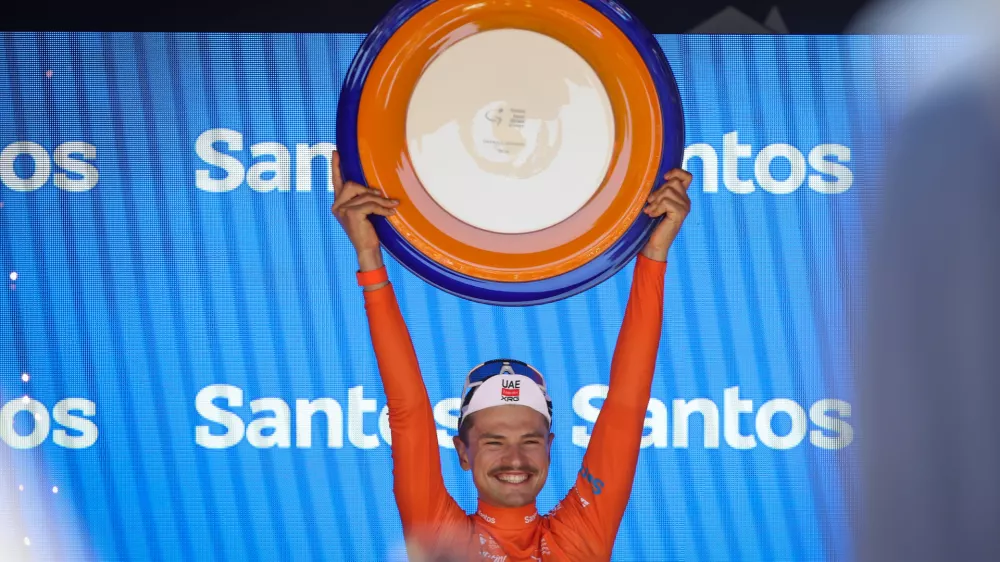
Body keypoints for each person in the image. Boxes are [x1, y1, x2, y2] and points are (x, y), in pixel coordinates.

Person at [331, 151, 692, 561]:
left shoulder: (580, 534)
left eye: (530, 440)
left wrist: (655, 252)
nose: (515, 458)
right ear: (463, 452)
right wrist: (369, 258)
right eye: (494, 441)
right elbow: (408, 411)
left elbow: (626, 407)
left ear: (551, 447)